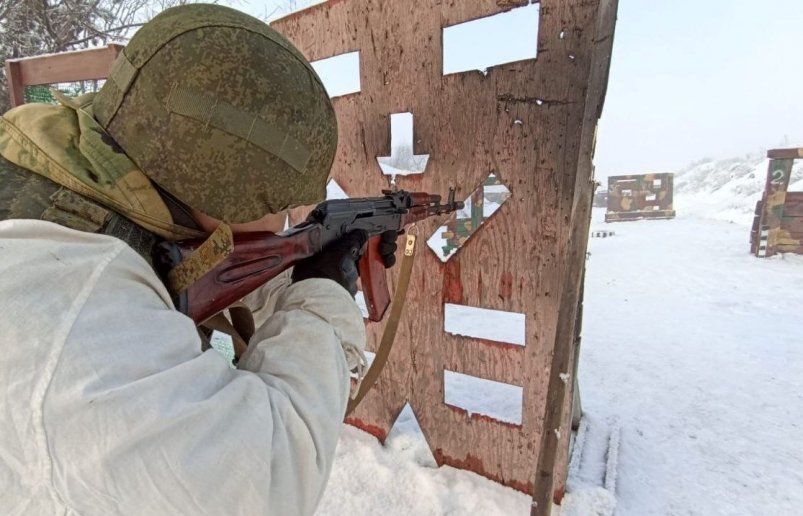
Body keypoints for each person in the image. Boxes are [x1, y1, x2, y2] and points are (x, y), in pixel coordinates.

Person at [0, 5, 393, 515]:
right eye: (281, 204)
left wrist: (295, 271)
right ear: (222, 194)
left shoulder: (66, 189)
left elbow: (206, 264)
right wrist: (322, 294)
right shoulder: (76, 308)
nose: (285, 219)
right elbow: (264, 480)